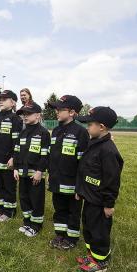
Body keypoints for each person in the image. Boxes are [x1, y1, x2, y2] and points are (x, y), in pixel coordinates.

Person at [75, 107, 124, 272]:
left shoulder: (108, 151)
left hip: (100, 202)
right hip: (89, 198)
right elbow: (85, 170)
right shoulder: (93, 144)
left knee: (99, 233)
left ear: (101, 127)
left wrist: (108, 204)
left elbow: (112, 181)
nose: (87, 127)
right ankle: (92, 255)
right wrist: (80, 190)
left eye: (90, 124)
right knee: (88, 228)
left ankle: (101, 262)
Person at [47, 95, 89, 250]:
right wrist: (50, 173)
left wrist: (80, 186)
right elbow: (53, 155)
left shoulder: (81, 132)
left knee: (73, 212)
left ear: (72, 112)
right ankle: (60, 234)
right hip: (57, 181)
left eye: (60, 109)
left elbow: (83, 163)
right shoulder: (56, 131)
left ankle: (71, 238)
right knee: (59, 209)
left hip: (72, 184)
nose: (56, 112)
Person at [13, 102, 50, 237]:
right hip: (22, 173)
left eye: (28, 114)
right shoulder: (22, 132)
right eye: (23, 114)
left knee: (36, 200)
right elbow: (16, 151)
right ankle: (27, 222)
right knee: (24, 198)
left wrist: (40, 171)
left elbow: (45, 155)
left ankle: (36, 225)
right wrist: (16, 168)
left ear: (38, 115)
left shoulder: (43, 133)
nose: (25, 116)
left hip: (35, 175)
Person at [0, 90, 23, 222]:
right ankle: (2, 209)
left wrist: (14, 157)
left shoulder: (15, 119)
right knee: (0, 186)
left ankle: (10, 211)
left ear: (13, 102)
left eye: (4, 99)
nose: (0, 101)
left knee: (9, 187)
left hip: (8, 160)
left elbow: (17, 141)